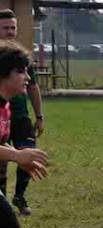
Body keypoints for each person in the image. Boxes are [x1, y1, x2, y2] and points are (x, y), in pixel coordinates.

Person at [0, 39, 69, 228]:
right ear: (5, 73)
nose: (28, 78)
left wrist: (17, 158)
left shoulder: (4, 105)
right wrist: (17, 155)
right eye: (22, 72)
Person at [0, 9, 45, 216]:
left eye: (13, 28)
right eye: (5, 28)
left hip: (17, 117)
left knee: (27, 153)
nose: (10, 32)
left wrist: (39, 116)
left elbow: (34, 87)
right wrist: (16, 155)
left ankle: (18, 196)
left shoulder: (21, 56)